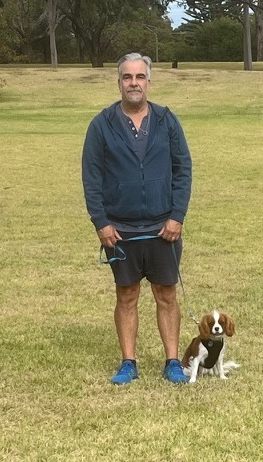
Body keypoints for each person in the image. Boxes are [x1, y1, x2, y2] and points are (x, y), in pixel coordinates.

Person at [83, 52, 193, 385]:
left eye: (140, 77)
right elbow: (92, 177)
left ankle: (172, 361)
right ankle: (128, 362)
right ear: (119, 82)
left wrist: (177, 216)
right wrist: (101, 222)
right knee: (127, 295)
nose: (134, 83)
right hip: (120, 230)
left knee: (166, 294)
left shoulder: (166, 121)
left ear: (149, 82)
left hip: (163, 229)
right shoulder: (101, 125)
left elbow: (182, 170)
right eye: (127, 77)